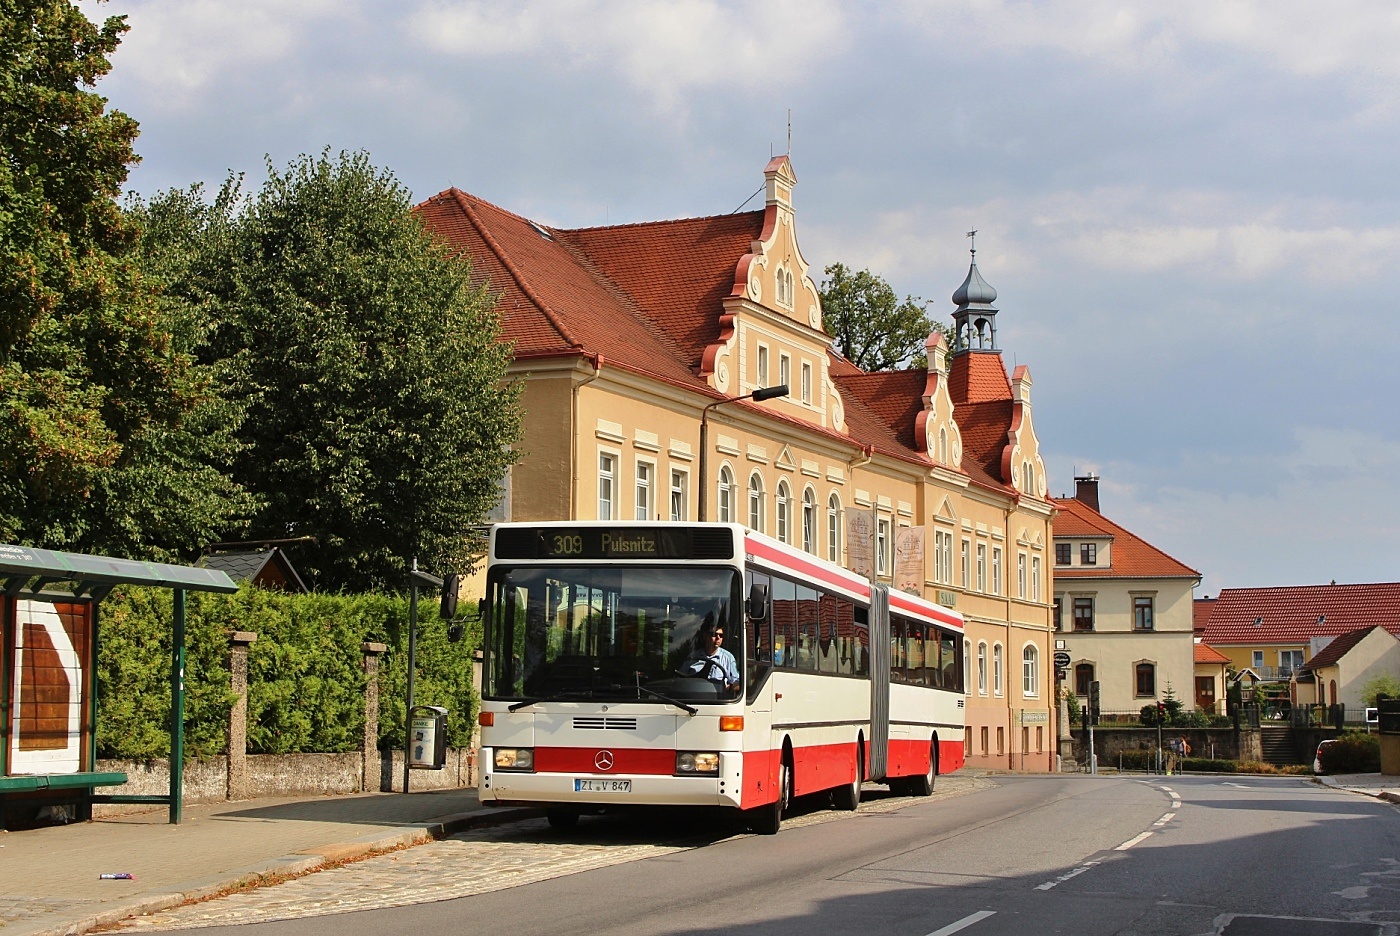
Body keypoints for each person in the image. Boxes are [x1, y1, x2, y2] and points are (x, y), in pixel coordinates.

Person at [682, 621, 740, 692]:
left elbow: (737, 682)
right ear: (705, 636)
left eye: (721, 635)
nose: (718, 638)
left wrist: (728, 688)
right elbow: (681, 677)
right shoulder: (693, 656)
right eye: (714, 634)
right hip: (694, 698)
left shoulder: (728, 658)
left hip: (716, 700)